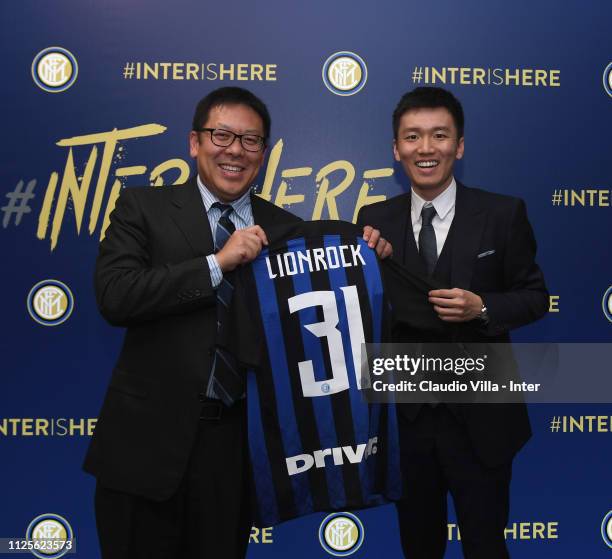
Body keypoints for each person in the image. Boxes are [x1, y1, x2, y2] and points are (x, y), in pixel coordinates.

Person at [84, 86, 391, 559]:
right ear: (194, 142)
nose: (235, 150)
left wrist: (369, 258)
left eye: (250, 141)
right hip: (144, 447)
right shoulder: (142, 208)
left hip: (236, 449)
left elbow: (330, 318)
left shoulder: (288, 230)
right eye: (221, 135)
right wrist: (217, 262)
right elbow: (116, 296)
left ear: (263, 154)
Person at [357, 86, 548, 559]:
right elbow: (364, 312)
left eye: (439, 136)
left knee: (486, 545)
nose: (426, 149)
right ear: (396, 148)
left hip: (482, 421)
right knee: (418, 547)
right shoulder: (372, 220)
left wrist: (482, 307)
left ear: (458, 146)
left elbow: (535, 298)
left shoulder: (504, 214)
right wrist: (368, 273)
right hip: (408, 420)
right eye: (413, 137)